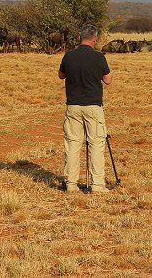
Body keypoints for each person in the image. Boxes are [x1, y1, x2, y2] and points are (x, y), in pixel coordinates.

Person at [58, 24, 112, 193]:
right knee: (96, 144)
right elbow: (108, 80)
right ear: (94, 40)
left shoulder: (69, 56)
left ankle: (71, 184)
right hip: (93, 107)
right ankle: (97, 185)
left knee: (73, 144)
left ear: (79, 37)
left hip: (73, 106)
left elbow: (61, 75)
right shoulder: (99, 57)